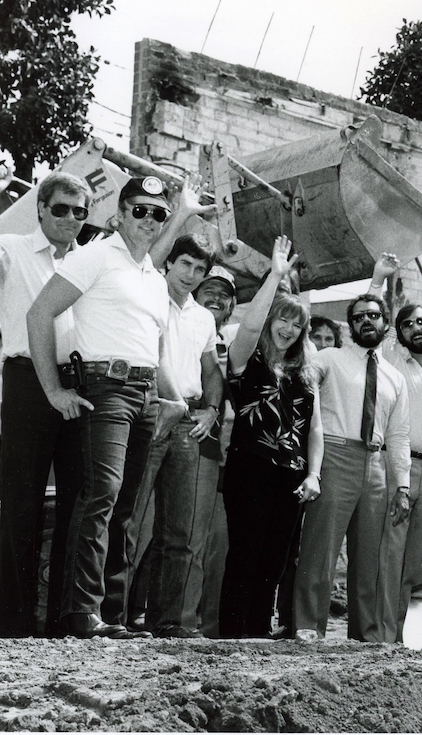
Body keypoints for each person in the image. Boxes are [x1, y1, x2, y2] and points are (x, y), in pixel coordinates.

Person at [27, 175, 188, 639]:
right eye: (140, 210)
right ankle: (81, 612)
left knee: (126, 506)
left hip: (143, 396)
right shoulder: (95, 255)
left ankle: (111, 614)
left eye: (159, 214)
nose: (149, 220)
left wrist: (168, 398)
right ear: (119, 214)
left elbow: (153, 349)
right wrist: (54, 390)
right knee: (102, 494)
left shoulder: (154, 278)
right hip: (106, 388)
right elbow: (39, 313)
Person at [0, 172, 89, 637]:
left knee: (77, 506)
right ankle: (12, 624)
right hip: (27, 381)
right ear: (40, 208)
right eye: (61, 209)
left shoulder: (91, 260)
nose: (71, 218)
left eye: (80, 211)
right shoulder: (10, 249)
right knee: (20, 504)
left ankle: (61, 624)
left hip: (80, 385)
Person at [218, 236, 323, 638]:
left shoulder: (306, 373)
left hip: (291, 476)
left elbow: (313, 429)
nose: (289, 329)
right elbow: (248, 325)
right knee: (244, 555)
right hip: (251, 466)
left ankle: (259, 635)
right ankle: (232, 637)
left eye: (297, 325)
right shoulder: (247, 357)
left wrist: (313, 474)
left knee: (274, 563)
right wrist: (276, 277)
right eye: (283, 320)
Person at [293, 292, 411, 642]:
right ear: (351, 324)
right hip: (335, 455)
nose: (366, 321)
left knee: (370, 558)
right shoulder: (330, 358)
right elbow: (306, 372)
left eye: (373, 315)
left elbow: (400, 434)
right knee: (321, 549)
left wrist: (402, 486)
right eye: (358, 317)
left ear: (385, 322)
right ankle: (308, 626)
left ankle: (367, 634)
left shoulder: (394, 377)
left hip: (375, 464)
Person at [128, 234, 221, 638]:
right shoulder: (148, 295)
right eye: (185, 264)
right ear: (169, 263)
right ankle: (113, 617)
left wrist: (212, 410)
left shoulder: (204, 317)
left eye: (200, 269)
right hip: (149, 410)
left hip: (187, 422)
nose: (191, 275)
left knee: (179, 531)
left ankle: (169, 621)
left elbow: (212, 369)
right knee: (129, 522)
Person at [192, 266, 237, 638]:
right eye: (209, 289)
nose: (216, 298)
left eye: (224, 294)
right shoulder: (181, 329)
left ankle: (207, 627)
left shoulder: (234, 343)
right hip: (186, 444)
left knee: (215, 547)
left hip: (221, 459)